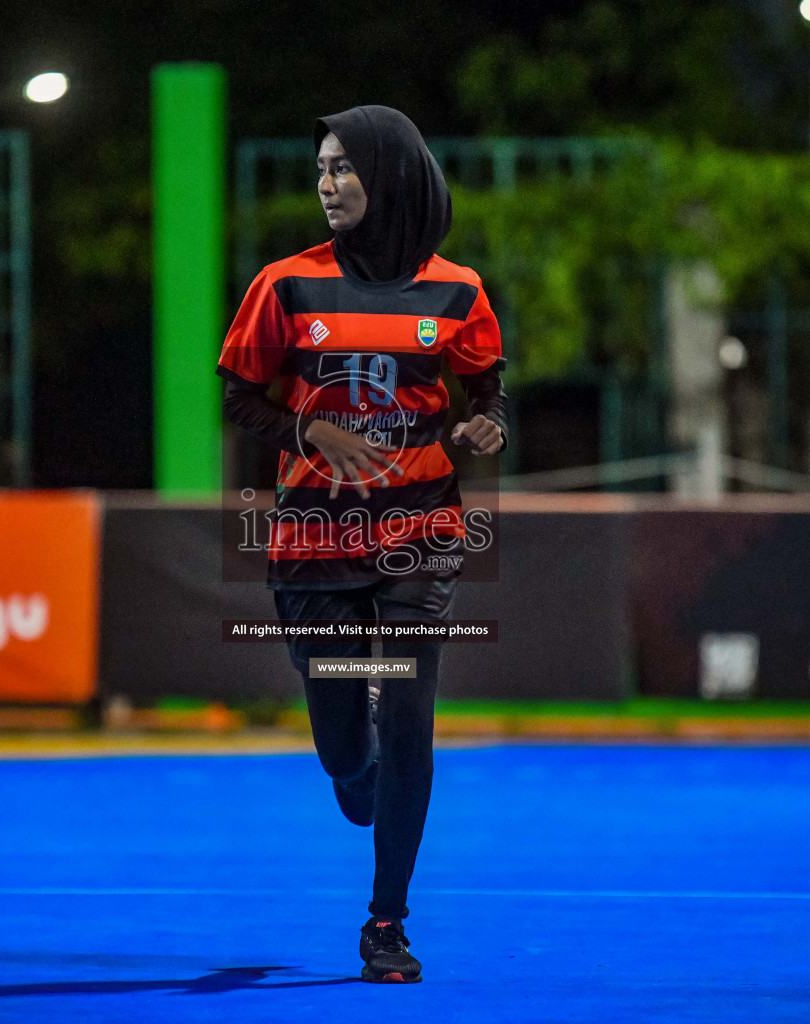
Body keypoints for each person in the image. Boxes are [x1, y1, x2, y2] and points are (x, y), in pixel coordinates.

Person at [218, 106, 506, 984]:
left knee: (413, 709)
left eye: (343, 168)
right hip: (313, 541)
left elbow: (487, 384)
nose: (327, 184)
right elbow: (237, 398)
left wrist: (488, 422)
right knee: (346, 742)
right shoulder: (285, 286)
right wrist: (309, 430)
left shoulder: (457, 291)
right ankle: (357, 760)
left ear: (391, 175)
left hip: (421, 533)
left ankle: (387, 922)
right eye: (321, 170)